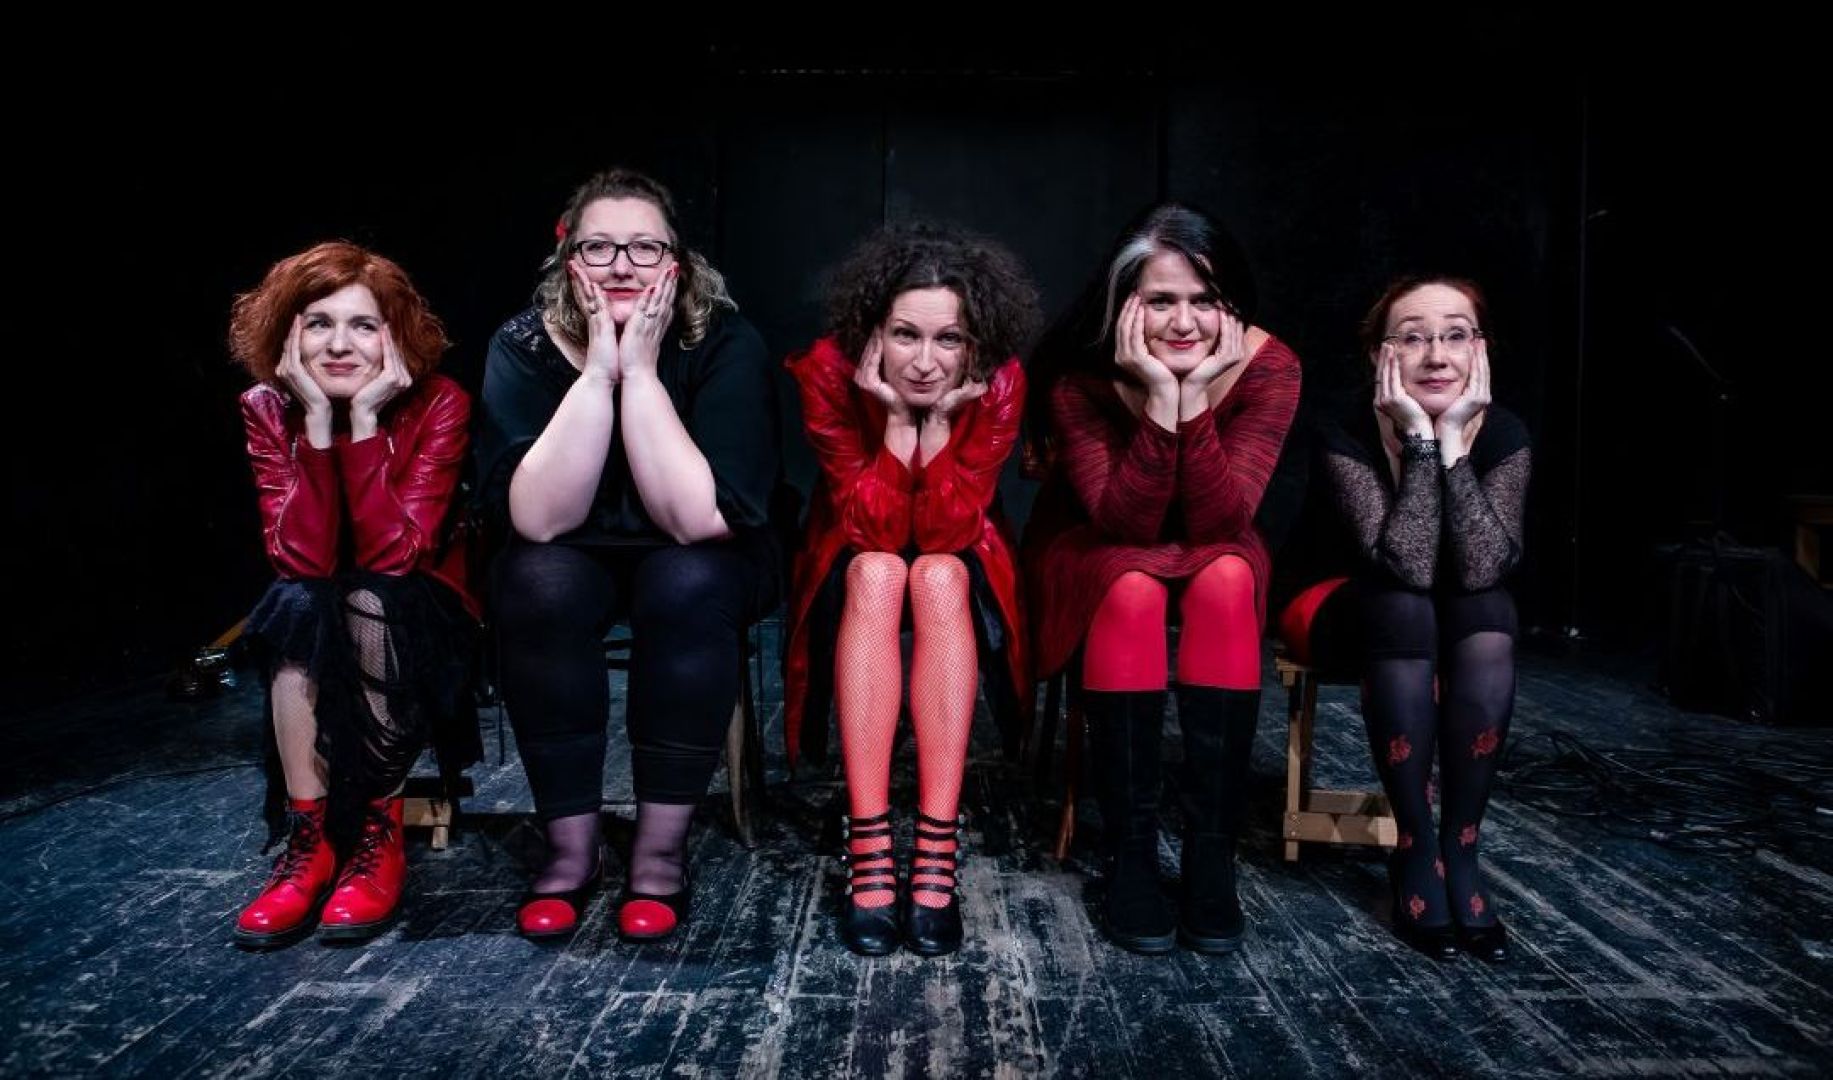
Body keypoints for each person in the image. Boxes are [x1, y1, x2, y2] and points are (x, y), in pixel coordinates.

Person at [477, 168, 783, 943]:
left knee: (687, 583)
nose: (621, 265)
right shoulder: (522, 345)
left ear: (676, 261)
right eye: (599, 247)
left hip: (697, 548)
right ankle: (569, 851)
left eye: (643, 247)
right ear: (567, 256)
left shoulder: (724, 342)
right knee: (537, 583)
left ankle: (658, 854)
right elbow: (541, 519)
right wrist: (597, 374)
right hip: (571, 545)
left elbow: (696, 519)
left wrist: (641, 373)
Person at [1023, 204, 1300, 955]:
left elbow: (1217, 521)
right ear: (1124, 303)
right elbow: (1128, 524)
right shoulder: (1080, 376)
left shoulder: (1270, 367)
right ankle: (1132, 854)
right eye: (1160, 300)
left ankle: (1212, 855)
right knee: (1133, 585)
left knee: (1226, 577)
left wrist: (1195, 397)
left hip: (1213, 532)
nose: (1183, 322)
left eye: (1204, 300)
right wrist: (1158, 397)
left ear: (1231, 306)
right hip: (1096, 538)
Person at [784, 224, 1038, 956]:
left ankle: (935, 844)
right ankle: (868, 842)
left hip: (960, 551)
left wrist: (940, 426)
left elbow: (948, 531)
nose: (926, 362)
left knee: (936, 573)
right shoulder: (828, 372)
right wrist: (899, 422)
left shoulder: (999, 381)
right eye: (905, 335)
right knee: (877, 570)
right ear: (873, 333)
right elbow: (871, 528)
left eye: (949, 339)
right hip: (850, 548)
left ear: (974, 342)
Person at [228, 241, 480, 948]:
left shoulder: (440, 402)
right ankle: (310, 842)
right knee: (297, 604)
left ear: (393, 334)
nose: (339, 344)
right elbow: (300, 558)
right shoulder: (265, 407)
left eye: (363, 325)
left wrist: (364, 425)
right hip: (318, 602)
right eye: (318, 323)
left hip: (419, 606)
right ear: (288, 334)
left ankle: (378, 832)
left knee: (368, 600)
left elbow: (395, 557)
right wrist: (315, 424)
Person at [1276, 276, 1529, 963]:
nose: (1436, 355)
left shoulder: (1503, 432)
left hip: (1443, 606)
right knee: (1402, 606)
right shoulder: (1346, 431)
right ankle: (1415, 846)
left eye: (1455, 336)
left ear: (1479, 350)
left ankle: (1461, 849)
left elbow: (1483, 567)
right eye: (1412, 338)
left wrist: (1454, 445)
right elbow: (1405, 566)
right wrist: (1418, 439)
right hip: (1337, 602)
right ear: (1379, 356)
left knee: (1490, 608)